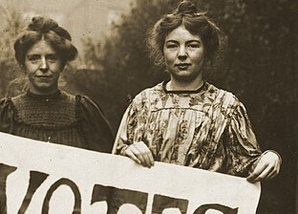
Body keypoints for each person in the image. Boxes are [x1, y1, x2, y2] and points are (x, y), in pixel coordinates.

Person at [113, 1, 281, 182]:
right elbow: (114, 165)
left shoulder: (226, 106)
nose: (182, 54)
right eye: (172, 45)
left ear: (206, 52)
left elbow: (247, 164)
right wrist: (127, 152)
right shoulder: (143, 103)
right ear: (162, 52)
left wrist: (271, 158)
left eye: (192, 45)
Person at [0, 16, 114, 203]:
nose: (43, 67)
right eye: (34, 58)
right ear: (23, 64)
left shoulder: (83, 112)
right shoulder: (7, 113)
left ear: (62, 64)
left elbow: (110, 178)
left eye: (52, 58)